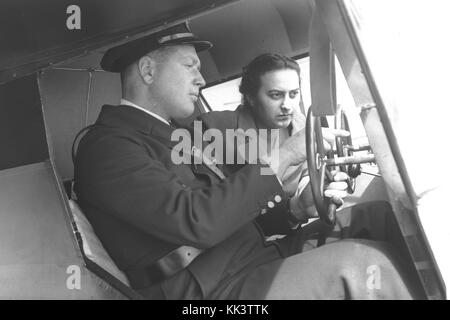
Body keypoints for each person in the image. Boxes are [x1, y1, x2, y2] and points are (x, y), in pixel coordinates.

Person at [74, 22, 423, 299]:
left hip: (247, 259)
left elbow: (229, 215)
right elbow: (196, 221)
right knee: (365, 271)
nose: (201, 78)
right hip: (209, 293)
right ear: (148, 70)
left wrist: (294, 212)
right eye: (189, 66)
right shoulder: (107, 147)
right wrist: (285, 155)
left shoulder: (174, 133)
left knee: (381, 217)